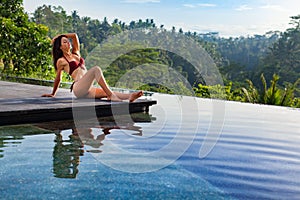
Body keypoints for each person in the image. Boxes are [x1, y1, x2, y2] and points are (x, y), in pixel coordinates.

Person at [42, 33, 143, 102]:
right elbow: (58, 78)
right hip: (78, 88)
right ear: (60, 47)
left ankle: (130, 96)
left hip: (87, 89)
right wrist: (53, 93)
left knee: (105, 92)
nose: (68, 42)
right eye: (64, 42)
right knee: (96, 69)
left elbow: (74, 36)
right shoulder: (61, 61)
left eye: (67, 41)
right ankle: (111, 96)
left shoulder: (76, 53)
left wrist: (59, 36)